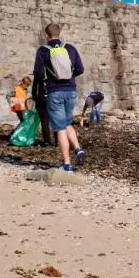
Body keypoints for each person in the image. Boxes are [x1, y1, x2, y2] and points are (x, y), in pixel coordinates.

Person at [33, 23, 85, 172]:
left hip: (54, 92)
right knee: (67, 122)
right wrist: (68, 76)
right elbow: (80, 69)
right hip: (70, 91)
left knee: (60, 128)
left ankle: (67, 164)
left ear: (46, 35)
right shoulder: (70, 48)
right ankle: (78, 149)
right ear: (59, 33)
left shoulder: (43, 50)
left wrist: (49, 78)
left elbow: (37, 73)